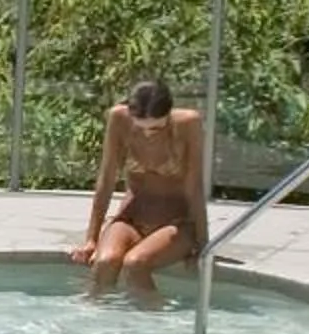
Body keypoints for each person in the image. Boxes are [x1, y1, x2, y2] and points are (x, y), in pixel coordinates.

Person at [71, 78, 207, 300]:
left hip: (175, 223)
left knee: (136, 263)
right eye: (141, 127)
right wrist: (91, 239)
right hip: (131, 217)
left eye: (156, 127)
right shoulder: (118, 118)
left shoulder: (188, 124)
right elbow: (106, 180)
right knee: (105, 262)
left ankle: (153, 327)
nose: (148, 134)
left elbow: (195, 187)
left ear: (169, 114)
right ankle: (95, 326)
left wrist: (203, 245)